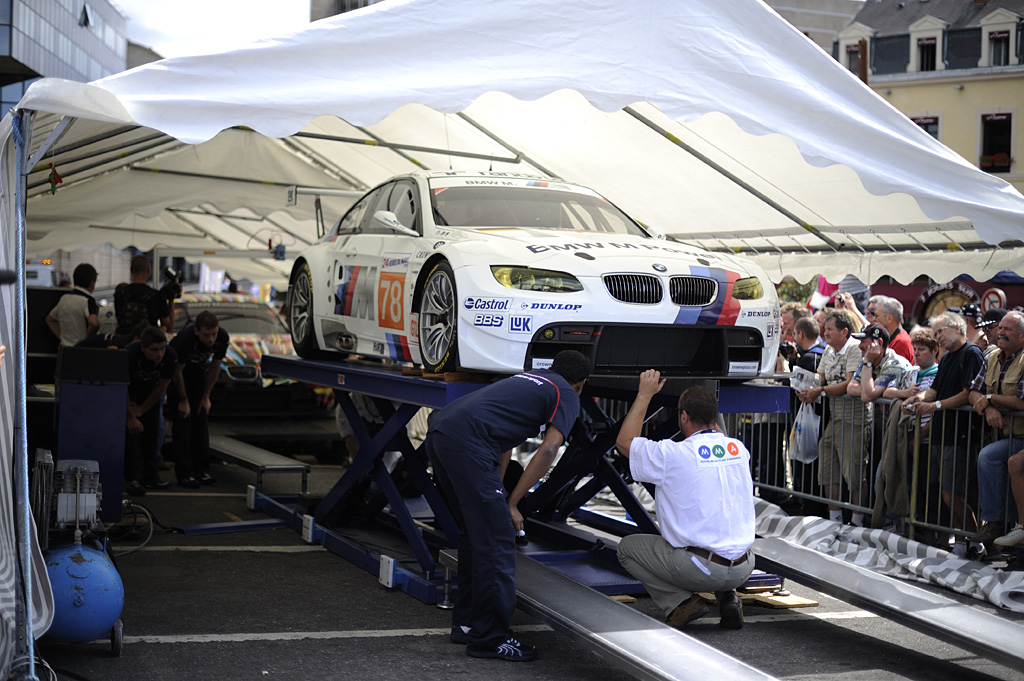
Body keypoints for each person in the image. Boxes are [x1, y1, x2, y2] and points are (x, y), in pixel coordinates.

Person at [423, 349, 589, 662]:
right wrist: (512, 504)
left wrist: (501, 496)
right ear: (581, 384)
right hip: (468, 443)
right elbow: (550, 449)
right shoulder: (566, 393)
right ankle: (490, 639)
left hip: (442, 431)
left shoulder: (526, 380)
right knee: (498, 540)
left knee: (475, 534)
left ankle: (470, 624)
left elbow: (506, 446)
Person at [615, 377, 754, 630]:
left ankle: (680, 603)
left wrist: (645, 394)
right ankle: (729, 597)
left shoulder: (673, 455)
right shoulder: (738, 448)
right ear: (714, 416)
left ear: (683, 417)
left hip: (701, 569)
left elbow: (625, 443)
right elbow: (715, 442)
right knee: (721, 529)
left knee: (627, 549)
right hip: (745, 567)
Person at [904, 311, 985, 556]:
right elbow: (934, 391)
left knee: (953, 493)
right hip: (942, 432)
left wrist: (934, 406)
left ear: (957, 328)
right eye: (936, 333)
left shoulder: (971, 353)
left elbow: (967, 393)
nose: (937, 337)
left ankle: (977, 541)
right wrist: (916, 398)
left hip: (959, 434)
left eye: (940, 331)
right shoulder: (948, 357)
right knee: (947, 493)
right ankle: (961, 542)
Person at [798, 309, 868, 526]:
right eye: (824, 329)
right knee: (828, 470)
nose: (825, 333)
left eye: (829, 329)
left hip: (855, 421)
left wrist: (820, 391)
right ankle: (834, 520)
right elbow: (820, 378)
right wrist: (805, 387)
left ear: (844, 331)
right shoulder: (828, 350)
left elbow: (849, 384)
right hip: (834, 419)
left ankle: (857, 522)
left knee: (854, 473)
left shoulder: (855, 350)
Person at [969, 311, 1024, 548]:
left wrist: (990, 398)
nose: (1000, 332)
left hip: (1021, 436)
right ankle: (996, 524)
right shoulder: (992, 357)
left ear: (1023, 336)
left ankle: (996, 522)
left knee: (989, 457)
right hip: (1003, 435)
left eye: (1008, 329)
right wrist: (988, 406)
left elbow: (1022, 402)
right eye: (999, 328)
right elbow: (973, 391)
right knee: (989, 457)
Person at [169, 310, 229, 488]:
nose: (211, 339)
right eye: (206, 335)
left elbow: (215, 367)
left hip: (198, 376)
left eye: (213, 334)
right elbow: (177, 371)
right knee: (182, 424)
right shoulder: (185, 339)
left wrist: (206, 397)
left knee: (201, 422)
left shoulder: (222, 338)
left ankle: (201, 470)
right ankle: (184, 473)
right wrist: (183, 399)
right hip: (179, 378)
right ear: (197, 332)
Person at [124, 327, 177, 496]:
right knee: (132, 434)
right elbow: (121, 387)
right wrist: (131, 416)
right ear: (143, 348)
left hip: (150, 395)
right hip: (128, 393)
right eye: (154, 350)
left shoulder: (170, 355)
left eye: (162, 348)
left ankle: (151, 477)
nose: (159, 354)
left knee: (152, 433)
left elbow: (162, 387)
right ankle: (133, 478)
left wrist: (142, 409)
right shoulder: (129, 354)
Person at [848, 323, 912, 403]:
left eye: (863, 341)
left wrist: (868, 363)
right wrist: (870, 390)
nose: (859, 346)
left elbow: (866, 396)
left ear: (879, 343)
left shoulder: (895, 364)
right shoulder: (868, 359)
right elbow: (850, 388)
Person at [45, 263, 99, 347]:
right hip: (80, 351)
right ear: (92, 282)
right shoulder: (88, 300)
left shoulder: (64, 298)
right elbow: (94, 323)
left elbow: (50, 319)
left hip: (64, 349)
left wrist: (62, 338)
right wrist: (86, 341)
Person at [114, 255, 172, 332]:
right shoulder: (157, 296)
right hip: (147, 342)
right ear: (149, 270)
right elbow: (168, 326)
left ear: (131, 270)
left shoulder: (120, 293)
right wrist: (171, 300)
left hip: (122, 341)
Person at [872, 296, 914, 364]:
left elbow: (893, 372)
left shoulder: (901, 342)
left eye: (876, 316)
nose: (874, 319)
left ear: (889, 318)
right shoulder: (897, 338)